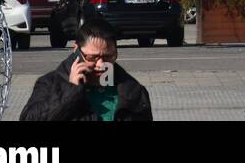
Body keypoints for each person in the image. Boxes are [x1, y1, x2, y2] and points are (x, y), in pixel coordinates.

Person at [20, 19, 153, 121]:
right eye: (92, 57)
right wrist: (70, 90)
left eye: (108, 57)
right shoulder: (49, 83)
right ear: (76, 50)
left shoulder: (133, 90)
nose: (101, 64)